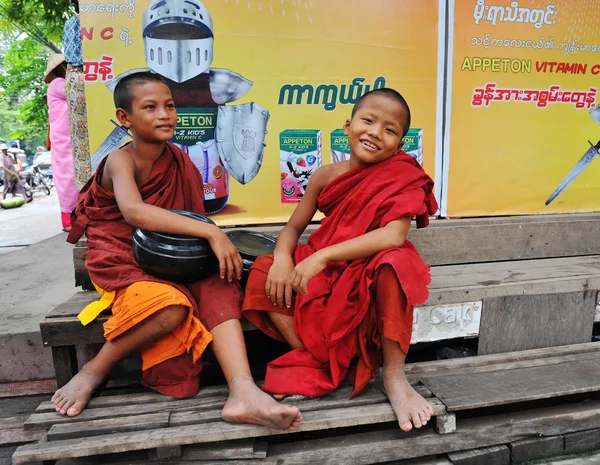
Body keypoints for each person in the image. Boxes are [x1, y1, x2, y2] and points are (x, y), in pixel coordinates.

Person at [54, 72, 302, 432]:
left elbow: (186, 220)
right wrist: (209, 232)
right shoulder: (119, 161)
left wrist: (212, 240)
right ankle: (93, 371)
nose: (164, 114)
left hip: (170, 259)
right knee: (170, 307)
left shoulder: (178, 160)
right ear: (125, 118)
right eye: (150, 107)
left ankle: (243, 391)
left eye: (169, 106)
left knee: (220, 282)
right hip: (124, 259)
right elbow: (134, 212)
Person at [242, 88, 438, 432]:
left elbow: (394, 236)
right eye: (368, 120)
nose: (376, 133)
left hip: (369, 269)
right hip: (330, 269)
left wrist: (322, 256)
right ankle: (321, 361)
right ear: (347, 126)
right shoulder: (325, 176)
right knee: (262, 271)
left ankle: (394, 377)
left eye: (390, 130)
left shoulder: (403, 175)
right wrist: (283, 258)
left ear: (400, 145)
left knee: (396, 262)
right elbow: (293, 228)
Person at [45, 53, 79, 232]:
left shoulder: (56, 85)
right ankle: (70, 219)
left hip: (65, 139)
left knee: (69, 177)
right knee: (69, 178)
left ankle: (72, 218)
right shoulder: (58, 84)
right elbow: (77, 91)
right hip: (64, 140)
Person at [64, 0, 92, 190]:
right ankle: (88, 188)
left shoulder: (73, 23)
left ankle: (86, 187)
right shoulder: (78, 22)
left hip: (80, 76)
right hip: (83, 76)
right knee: (82, 135)